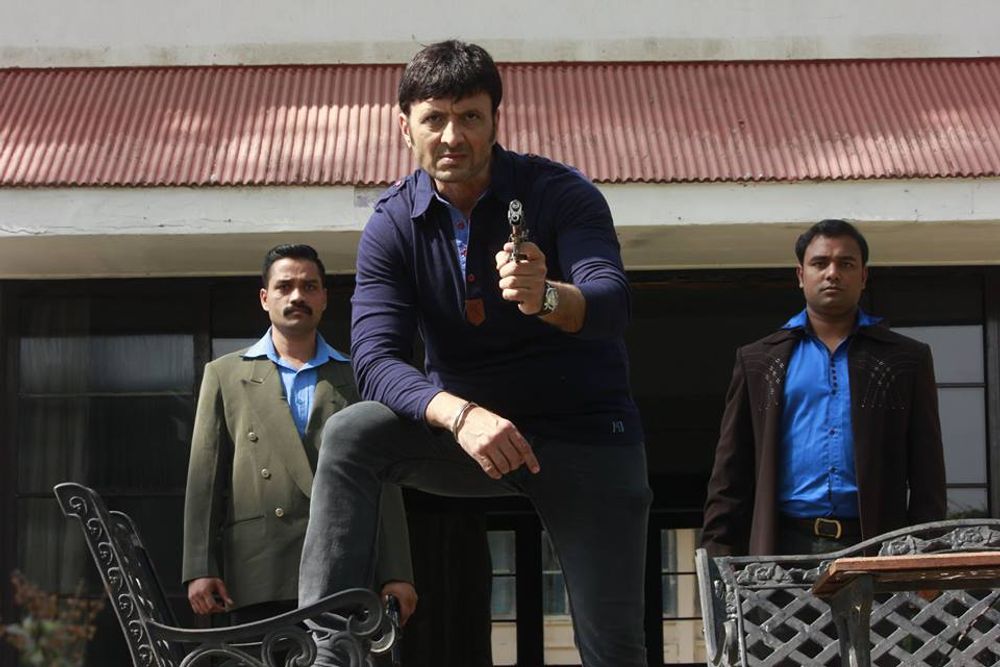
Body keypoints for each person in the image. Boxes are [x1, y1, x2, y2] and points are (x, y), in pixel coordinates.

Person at [299, 40, 651, 667]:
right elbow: (374, 361)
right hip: (467, 435)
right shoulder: (392, 224)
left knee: (613, 646)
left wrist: (548, 297)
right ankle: (331, 654)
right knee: (351, 433)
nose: (452, 136)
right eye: (434, 118)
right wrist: (460, 415)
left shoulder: (560, 193)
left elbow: (612, 303)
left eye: (469, 117)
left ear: (495, 121)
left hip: (583, 435)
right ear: (404, 127)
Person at [182, 244, 416, 625]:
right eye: (284, 286)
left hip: (344, 566)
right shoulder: (224, 375)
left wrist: (397, 572)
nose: (297, 297)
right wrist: (199, 566)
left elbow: (385, 483)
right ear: (265, 298)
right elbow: (204, 481)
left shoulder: (359, 378)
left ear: (324, 298)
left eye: (309, 287)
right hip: (259, 571)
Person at [701, 219, 947, 556]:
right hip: (783, 545)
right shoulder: (759, 361)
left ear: (863, 276)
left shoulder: (904, 359)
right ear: (801, 275)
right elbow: (731, 471)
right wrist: (717, 554)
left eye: (846, 264)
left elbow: (927, 472)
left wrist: (928, 552)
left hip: (877, 545)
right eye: (820, 263)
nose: (833, 273)